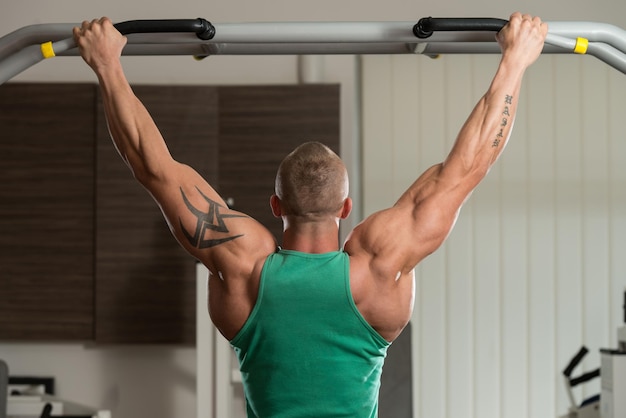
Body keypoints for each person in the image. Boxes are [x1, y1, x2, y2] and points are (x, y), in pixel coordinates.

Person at [74, 12, 547, 418]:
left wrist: (107, 64)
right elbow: (466, 170)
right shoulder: (379, 268)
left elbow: (152, 167)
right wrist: (516, 60)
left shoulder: (244, 266)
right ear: (346, 208)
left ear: (275, 206)